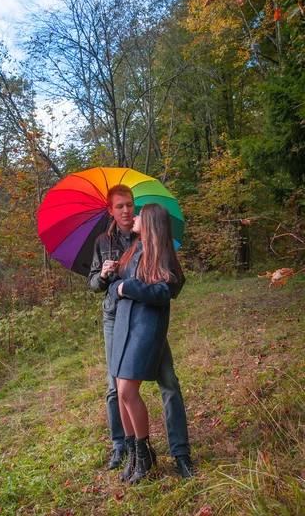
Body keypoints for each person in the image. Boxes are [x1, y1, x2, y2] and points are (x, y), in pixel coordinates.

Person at [88, 185, 194, 479]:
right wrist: (106, 274)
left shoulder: (150, 238)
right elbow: (96, 283)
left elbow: (169, 285)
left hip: (146, 321)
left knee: (168, 382)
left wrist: (130, 285)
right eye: (120, 206)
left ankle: (180, 452)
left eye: (130, 206)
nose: (126, 211)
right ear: (110, 210)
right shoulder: (103, 242)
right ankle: (125, 448)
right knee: (117, 388)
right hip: (116, 317)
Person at [108, 203, 185, 483]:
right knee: (120, 390)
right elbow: (115, 287)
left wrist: (128, 287)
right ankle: (134, 454)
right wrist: (112, 275)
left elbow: (164, 292)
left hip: (145, 327)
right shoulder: (133, 250)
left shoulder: (162, 254)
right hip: (123, 325)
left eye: (139, 214)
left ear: (151, 222)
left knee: (128, 390)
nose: (135, 216)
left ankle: (145, 451)